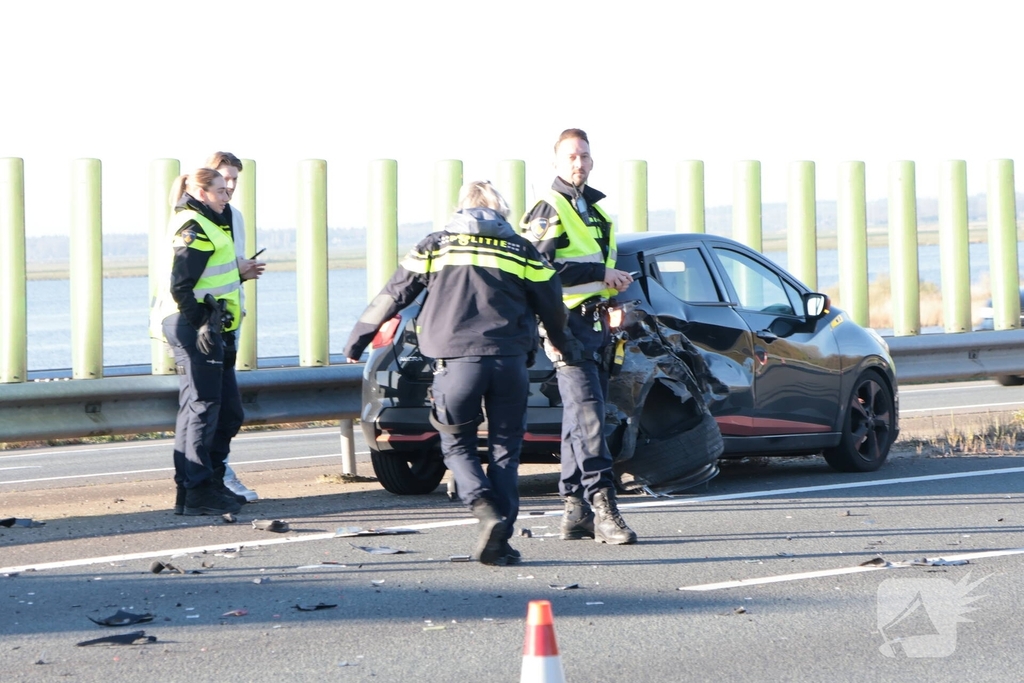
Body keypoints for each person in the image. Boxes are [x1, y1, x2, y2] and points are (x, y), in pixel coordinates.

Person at [343, 181, 572, 565]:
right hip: (510, 361)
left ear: (460, 209)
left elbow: (394, 293)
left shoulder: (436, 245)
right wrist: (565, 345)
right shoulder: (521, 248)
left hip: (456, 364)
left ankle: (484, 510)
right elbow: (552, 304)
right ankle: (501, 538)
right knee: (505, 449)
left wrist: (357, 339)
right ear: (501, 211)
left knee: (457, 443)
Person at [521, 128, 638, 545]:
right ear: (556, 161)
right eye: (571, 156)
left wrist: (612, 286)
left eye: (585, 156)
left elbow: (592, 268)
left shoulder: (595, 210)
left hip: (594, 325)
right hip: (562, 326)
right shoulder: (548, 207)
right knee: (590, 417)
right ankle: (605, 507)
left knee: (578, 420)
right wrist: (598, 274)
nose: (579, 163)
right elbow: (536, 268)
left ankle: (575, 510)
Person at [152, 168, 245, 516]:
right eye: (221, 190)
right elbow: (180, 285)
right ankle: (196, 490)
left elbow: (211, 279)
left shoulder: (212, 222)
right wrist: (202, 323)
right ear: (202, 192)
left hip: (210, 327)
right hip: (193, 327)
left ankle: (206, 483)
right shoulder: (193, 225)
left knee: (226, 411)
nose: (227, 196)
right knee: (202, 408)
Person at [204, 151, 265, 502]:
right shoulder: (192, 218)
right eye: (223, 179)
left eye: (234, 180)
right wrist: (237, 272)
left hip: (228, 319)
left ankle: (217, 473)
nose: (229, 187)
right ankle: (214, 476)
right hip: (199, 324)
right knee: (210, 406)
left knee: (227, 408)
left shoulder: (234, 216)